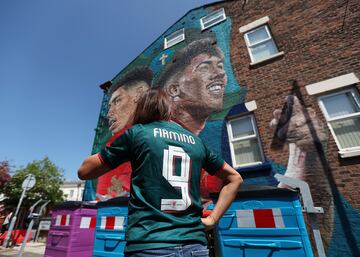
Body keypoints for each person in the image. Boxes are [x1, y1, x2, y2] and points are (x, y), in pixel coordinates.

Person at [78, 89, 242, 257]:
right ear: (167, 110)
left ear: (141, 109)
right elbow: (235, 178)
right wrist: (212, 219)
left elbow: (84, 171)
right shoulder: (196, 142)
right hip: (195, 245)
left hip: (149, 244)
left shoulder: (138, 134)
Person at [96, 67, 152, 199]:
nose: (109, 113)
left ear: (139, 94)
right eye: (109, 106)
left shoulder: (130, 136)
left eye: (117, 101)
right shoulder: (118, 139)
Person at [156, 38, 227, 135]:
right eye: (204, 67)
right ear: (174, 90)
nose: (221, 73)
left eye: (220, 66)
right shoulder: (157, 135)